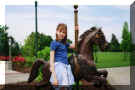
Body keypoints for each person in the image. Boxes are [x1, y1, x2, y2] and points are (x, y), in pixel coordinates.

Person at [49, 23, 75, 90]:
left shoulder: (65, 43)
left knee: (69, 86)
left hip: (66, 68)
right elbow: (51, 60)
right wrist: (54, 78)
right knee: (60, 87)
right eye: (60, 31)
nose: (62, 33)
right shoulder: (54, 43)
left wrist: (76, 31)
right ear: (56, 31)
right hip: (59, 68)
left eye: (64, 32)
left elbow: (75, 46)